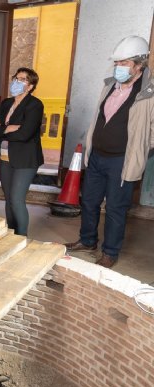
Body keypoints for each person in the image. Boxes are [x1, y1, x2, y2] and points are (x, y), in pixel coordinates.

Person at [65, 36, 153, 269]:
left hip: (122, 161)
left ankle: (110, 252)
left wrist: (142, 145)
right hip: (97, 156)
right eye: (117, 63)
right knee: (89, 202)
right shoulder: (109, 85)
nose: (118, 68)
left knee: (115, 208)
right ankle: (87, 241)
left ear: (139, 65)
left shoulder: (149, 92)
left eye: (123, 63)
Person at [0, 67, 44, 236]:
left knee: (17, 199)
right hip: (5, 157)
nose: (17, 82)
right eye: (16, 78)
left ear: (31, 86)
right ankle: (11, 236)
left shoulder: (35, 105)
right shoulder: (6, 103)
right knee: (9, 199)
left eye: (23, 79)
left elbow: (25, 134)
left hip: (25, 159)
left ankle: (21, 238)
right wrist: (8, 129)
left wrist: (1, 129)